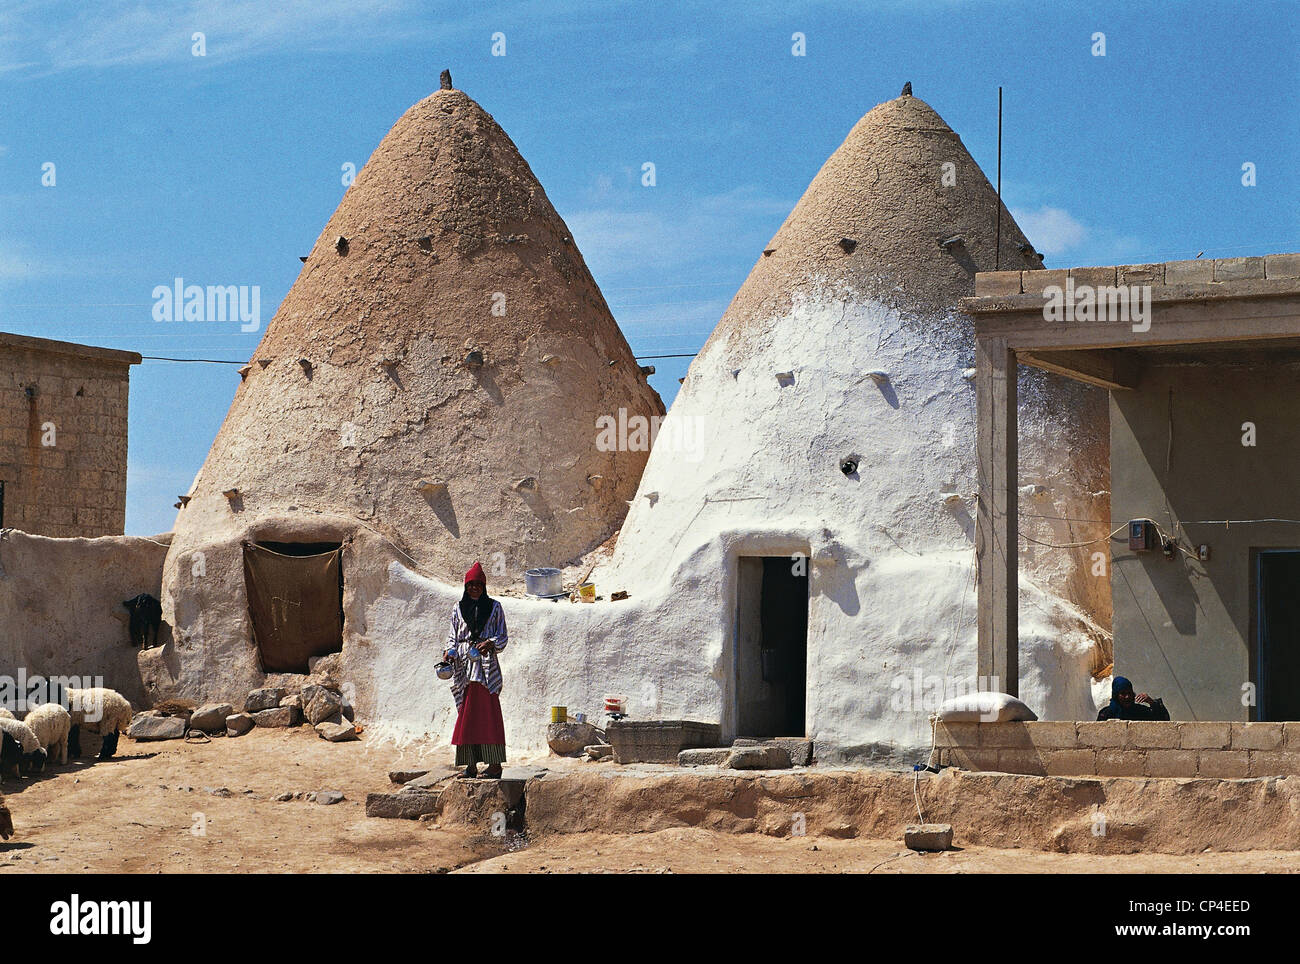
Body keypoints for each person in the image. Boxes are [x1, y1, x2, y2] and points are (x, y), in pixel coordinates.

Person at [444, 562, 508, 778]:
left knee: (488, 714)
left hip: (486, 668)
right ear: (465, 586)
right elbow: (453, 637)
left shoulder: (495, 607)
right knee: (467, 714)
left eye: (478, 585)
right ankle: (469, 765)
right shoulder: (457, 608)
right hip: (464, 667)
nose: (474, 588)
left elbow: (502, 637)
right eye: (471, 584)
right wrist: (449, 652)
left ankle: (495, 765)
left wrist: (489, 643)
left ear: (484, 586)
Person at [1097, 676, 1170, 721]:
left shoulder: (1139, 711)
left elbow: (1164, 719)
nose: (1127, 697)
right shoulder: (1106, 714)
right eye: (1123, 694)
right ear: (1116, 695)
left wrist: (1152, 702)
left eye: (1129, 693)